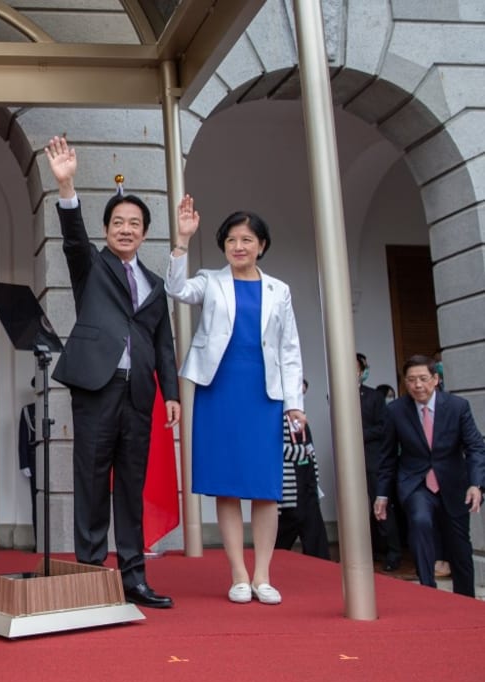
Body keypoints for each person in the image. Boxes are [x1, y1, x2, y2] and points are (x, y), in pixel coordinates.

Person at [44, 136, 180, 609]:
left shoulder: (156, 284)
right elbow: (73, 239)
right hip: (97, 390)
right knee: (90, 479)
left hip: (139, 394)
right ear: (107, 230)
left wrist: (174, 393)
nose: (126, 230)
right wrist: (67, 186)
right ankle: (88, 573)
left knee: (130, 486)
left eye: (135, 224)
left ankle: (133, 577)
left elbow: (164, 342)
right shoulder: (91, 268)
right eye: (118, 223)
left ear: (145, 234)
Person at [165, 195, 305, 606]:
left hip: (264, 394)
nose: (238, 247)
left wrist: (294, 401)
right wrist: (182, 241)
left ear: (261, 244)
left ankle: (263, 574)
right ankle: (238, 574)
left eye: (246, 239)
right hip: (219, 389)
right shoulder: (210, 280)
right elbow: (175, 289)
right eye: (231, 240)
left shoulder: (279, 290)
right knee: (226, 486)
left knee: (265, 488)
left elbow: (290, 349)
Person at [374, 355, 485, 597]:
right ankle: (427, 591)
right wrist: (382, 494)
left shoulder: (457, 407)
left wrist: (476, 484)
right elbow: (387, 457)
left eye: (423, 379)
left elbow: (476, 447)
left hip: (454, 484)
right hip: (416, 484)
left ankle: (465, 599)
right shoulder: (395, 411)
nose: (418, 385)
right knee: (420, 521)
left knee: (459, 545)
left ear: (436, 379)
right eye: (411, 380)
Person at [275, 380, 329, 560]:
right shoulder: (274, 415)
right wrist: (300, 452)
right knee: (285, 528)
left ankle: (322, 567)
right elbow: (271, 448)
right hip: (287, 483)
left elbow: (310, 447)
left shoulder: (300, 418)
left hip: (307, 480)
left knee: (314, 530)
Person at [358, 357, 402, 571]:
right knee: (356, 508)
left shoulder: (374, 396)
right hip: (349, 463)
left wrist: (359, 434)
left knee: (381, 506)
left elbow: (383, 428)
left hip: (372, 459)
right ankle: (370, 549)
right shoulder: (336, 394)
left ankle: (393, 553)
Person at [18, 399, 38, 542]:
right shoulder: (28, 410)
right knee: (36, 502)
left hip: (52, 456)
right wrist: (24, 463)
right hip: (34, 458)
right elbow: (23, 437)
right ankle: (39, 541)